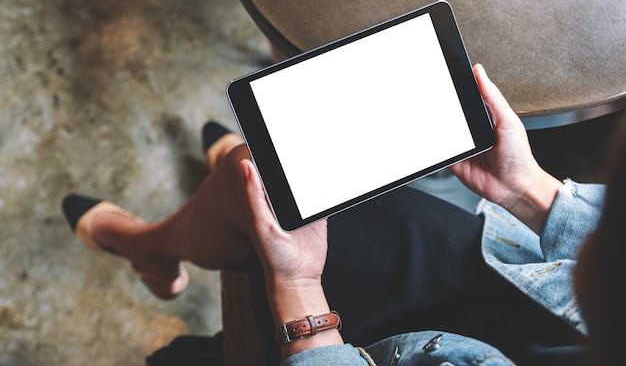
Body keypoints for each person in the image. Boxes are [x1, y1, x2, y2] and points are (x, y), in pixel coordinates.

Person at [61, 64, 617, 365]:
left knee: (261, 191)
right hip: (500, 284)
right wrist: (529, 192)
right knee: (265, 173)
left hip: (362, 354)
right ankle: (173, 231)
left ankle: (148, 248)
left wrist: (298, 287)